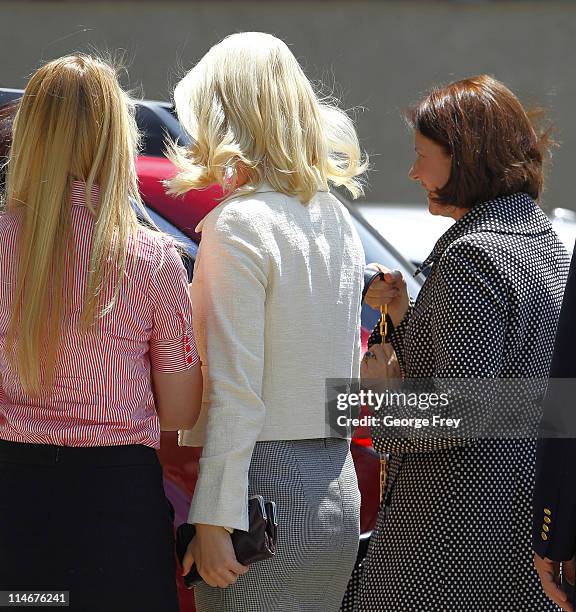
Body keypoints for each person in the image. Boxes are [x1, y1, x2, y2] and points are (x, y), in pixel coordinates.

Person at [167, 32, 367, 611]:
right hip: (335, 494)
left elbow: (235, 393)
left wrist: (211, 518)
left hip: (263, 498)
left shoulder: (238, 226)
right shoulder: (335, 220)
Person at [356, 75, 570, 611]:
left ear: (466, 159)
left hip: (449, 549)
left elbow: (461, 408)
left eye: (423, 156)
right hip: (515, 536)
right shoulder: (546, 246)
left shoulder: (475, 257)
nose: (413, 172)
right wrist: (406, 318)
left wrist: (381, 399)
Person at [0, 55, 203, 612]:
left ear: (29, 137)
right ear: (119, 138)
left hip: (15, 501)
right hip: (118, 510)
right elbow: (182, 410)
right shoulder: (155, 255)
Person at [533, 244, 576, 612]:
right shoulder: (549, 243)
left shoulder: (469, 256)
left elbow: (569, 392)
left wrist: (553, 537)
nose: (412, 180)